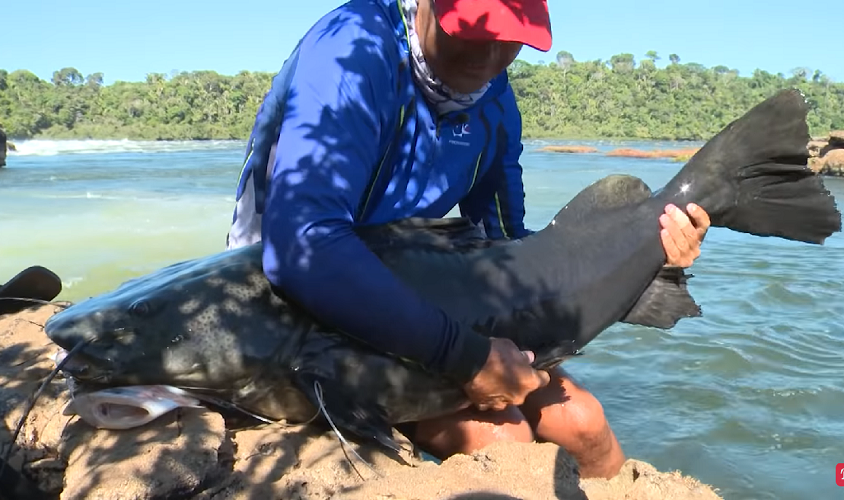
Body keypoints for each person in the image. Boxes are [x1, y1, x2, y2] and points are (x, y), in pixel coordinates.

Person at [226, 0, 711, 479]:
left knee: (583, 422)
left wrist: (658, 261)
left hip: (425, 296)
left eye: (509, 37)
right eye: (471, 30)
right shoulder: (351, 50)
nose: (488, 56)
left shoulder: (495, 102)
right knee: (502, 438)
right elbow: (302, 247)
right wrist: (464, 356)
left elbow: (515, 254)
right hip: (290, 303)